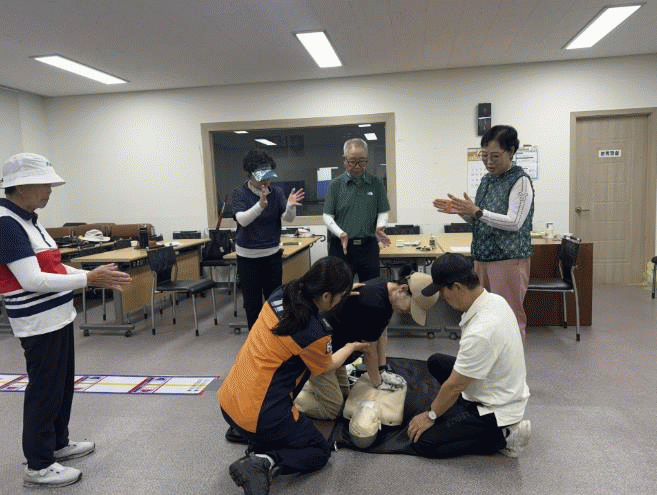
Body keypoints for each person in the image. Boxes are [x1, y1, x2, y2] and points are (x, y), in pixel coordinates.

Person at [0, 153, 132, 488]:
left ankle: (58, 443)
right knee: (45, 390)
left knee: (61, 385)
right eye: (44, 184)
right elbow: (31, 280)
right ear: (21, 186)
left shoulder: (30, 220)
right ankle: (39, 464)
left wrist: (90, 275)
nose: (50, 190)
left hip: (57, 316)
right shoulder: (6, 224)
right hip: (38, 321)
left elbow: (54, 267)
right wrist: (88, 279)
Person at [218, 256, 372, 495]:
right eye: (339, 296)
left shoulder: (282, 293)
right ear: (326, 296)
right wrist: (352, 346)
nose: (339, 301)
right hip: (261, 416)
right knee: (319, 451)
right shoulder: (313, 333)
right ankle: (263, 460)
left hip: (229, 403)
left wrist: (341, 293)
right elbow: (326, 367)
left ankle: (255, 438)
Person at [406, 253, 530, 459]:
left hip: (495, 410)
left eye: (443, 291)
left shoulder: (482, 331)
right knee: (436, 362)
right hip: (496, 383)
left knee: (425, 443)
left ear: (456, 287)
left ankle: (504, 437)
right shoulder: (494, 300)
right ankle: (463, 413)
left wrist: (431, 415)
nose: (442, 298)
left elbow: (455, 385)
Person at [294, 269, 440, 420]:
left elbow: (381, 332)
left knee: (345, 395)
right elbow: (369, 350)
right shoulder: (374, 303)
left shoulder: (386, 289)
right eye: (411, 307)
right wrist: (378, 383)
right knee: (334, 409)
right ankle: (292, 398)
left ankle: (313, 385)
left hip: (337, 346)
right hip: (318, 350)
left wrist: (382, 369)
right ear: (402, 289)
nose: (409, 312)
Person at [433, 125, 534, 340]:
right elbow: (481, 218)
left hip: (508, 259)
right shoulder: (487, 180)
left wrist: (477, 211)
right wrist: (462, 212)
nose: (489, 162)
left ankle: (512, 361)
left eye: (495, 156)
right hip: (482, 258)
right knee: (484, 315)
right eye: (484, 156)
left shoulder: (520, 180)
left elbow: (514, 222)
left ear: (511, 151)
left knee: (509, 317)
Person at [232, 149, 305, 330]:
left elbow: (288, 219)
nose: (265, 182)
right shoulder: (240, 193)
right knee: (252, 304)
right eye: (261, 177)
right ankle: (255, 339)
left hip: (272, 255)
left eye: (268, 177)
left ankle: (274, 338)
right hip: (248, 258)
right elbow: (242, 220)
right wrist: (260, 205)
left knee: (275, 301)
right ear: (250, 175)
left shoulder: (276, 192)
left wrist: (290, 206)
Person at [323, 138, 391, 282]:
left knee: (371, 288)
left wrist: (380, 227)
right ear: (344, 159)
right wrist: (340, 233)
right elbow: (327, 216)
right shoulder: (335, 185)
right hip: (341, 247)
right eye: (352, 161)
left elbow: (383, 211)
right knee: (340, 289)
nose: (358, 166)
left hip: (368, 246)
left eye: (362, 161)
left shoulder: (376, 183)